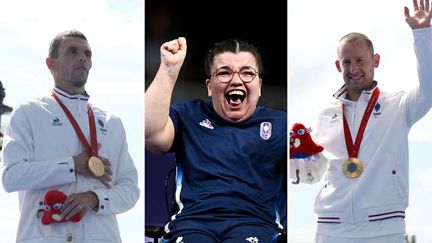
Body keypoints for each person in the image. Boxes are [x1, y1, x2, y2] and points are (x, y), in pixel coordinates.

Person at [290, 0, 432, 242]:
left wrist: (422, 34)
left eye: (360, 60)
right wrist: (298, 160)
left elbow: (429, 89)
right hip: (331, 227)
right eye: (346, 62)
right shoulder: (326, 112)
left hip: (385, 227)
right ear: (338, 65)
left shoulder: (398, 106)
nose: (353, 68)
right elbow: (313, 173)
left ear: (375, 60)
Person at [0, 30, 140, 243]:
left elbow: (130, 188)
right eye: (72, 51)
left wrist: (94, 198)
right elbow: (11, 177)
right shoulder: (28, 112)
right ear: (51, 63)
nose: (83, 58)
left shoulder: (112, 123)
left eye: (88, 54)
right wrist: (73, 165)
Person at [145, 37, 287, 242]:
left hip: (257, 226)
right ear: (209, 86)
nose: (236, 80)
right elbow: (151, 134)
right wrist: (168, 69)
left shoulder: (282, 124)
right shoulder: (189, 114)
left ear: (260, 85)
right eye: (224, 73)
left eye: (247, 73)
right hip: (191, 225)